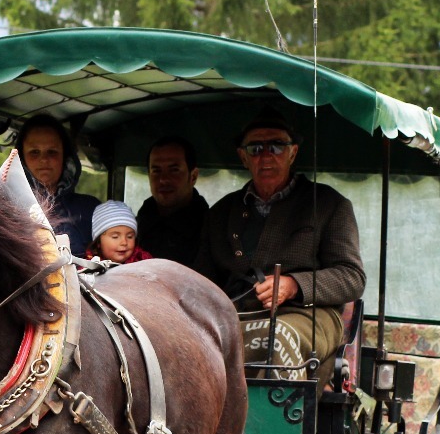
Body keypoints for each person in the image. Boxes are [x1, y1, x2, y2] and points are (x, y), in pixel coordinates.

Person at [195, 108, 364, 382]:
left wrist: (294, 285)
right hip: (236, 315)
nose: (266, 155)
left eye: (276, 146)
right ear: (243, 156)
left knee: (276, 339)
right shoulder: (220, 213)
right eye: (256, 148)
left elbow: (352, 278)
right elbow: (201, 281)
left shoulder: (329, 205)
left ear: (293, 153)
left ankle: (275, 425)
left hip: (308, 315)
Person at [16, 115, 99, 257]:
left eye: (52, 152)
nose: (43, 159)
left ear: (65, 156)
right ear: (22, 158)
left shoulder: (91, 210)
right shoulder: (7, 209)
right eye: (34, 152)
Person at [134, 135, 208, 267]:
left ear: (193, 176)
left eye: (174, 170)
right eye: (156, 171)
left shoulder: (213, 229)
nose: (163, 179)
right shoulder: (134, 227)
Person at [86, 200, 152, 264]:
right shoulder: (89, 265)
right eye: (115, 237)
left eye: (130, 237)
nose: (124, 242)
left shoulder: (143, 260)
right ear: (98, 242)